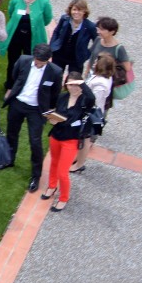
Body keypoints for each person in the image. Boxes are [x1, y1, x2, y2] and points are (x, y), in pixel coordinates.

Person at [2, 43, 63, 192]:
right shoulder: (23, 60)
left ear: (48, 60)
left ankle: (36, 176)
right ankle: (9, 159)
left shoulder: (55, 72)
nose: (38, 63)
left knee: (35, 142)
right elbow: (15, 76)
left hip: (36, 110)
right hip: (18, 103)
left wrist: (49, 110)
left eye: (41, 62)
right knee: (11, 133)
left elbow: (55, 93)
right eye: (36, 60)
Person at [43, 72, 95, 213]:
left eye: (75, 84)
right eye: (69, 84)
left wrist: (81, 83)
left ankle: (64, 198)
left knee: (62, 171)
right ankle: (52, 186)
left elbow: (92, 97)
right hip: (56, 135)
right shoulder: (62, 97)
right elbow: (58, 113)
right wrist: (52, 119)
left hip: (70, 139)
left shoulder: (85, 100)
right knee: (54, 163)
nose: (72, 87)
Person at [0, 0, 54, 88]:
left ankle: (25, 85)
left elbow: (47, 19)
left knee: (30, 62)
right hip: (16, 36)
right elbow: (11, 13)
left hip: (33, 38)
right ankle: (10, 84)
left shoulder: (43, 2)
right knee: (13, 61)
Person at [72, 54, 115, 174]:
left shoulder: (100, 85)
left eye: (97, 62)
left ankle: (79, 164)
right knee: (83, 139)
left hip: (90, 114)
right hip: (89, 112)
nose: (94, 63)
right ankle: (77, 158)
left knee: (86, 140)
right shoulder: (102, 77)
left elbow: (94, 100)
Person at [50, 0, 98, 74]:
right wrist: (52, 45)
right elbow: (56, 31)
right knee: (55, 76)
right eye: (74, 10)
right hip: (59, 54)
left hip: (76, 59)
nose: (76, 12)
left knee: (73, 81)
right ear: (70, 10)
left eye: (79, 10)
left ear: (84, 11)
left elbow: (97, 41)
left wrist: (87, 54)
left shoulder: (90, 26)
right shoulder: (64, 19)